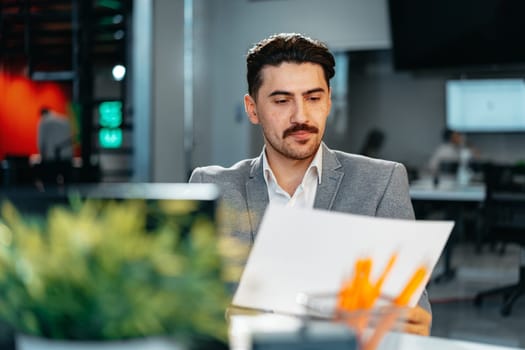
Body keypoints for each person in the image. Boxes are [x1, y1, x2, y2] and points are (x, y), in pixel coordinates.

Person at [189, 33, 431, 335]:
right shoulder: (211, 186)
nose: (301, 116)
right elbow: (183, 305)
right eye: (281, 100)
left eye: (313, 98)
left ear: (329, 100)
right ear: (252, 109)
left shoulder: (382, 182)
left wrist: (410, 322)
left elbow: (410, 311)